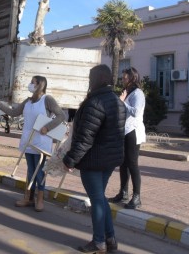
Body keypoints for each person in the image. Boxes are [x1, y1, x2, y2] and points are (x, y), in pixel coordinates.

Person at [63, 64, 126, 254]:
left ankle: (99, 242)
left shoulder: (95, 103)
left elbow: (85, 138)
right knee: (101, 199)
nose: (89, 82)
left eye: (91, 78)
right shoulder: (116, 101)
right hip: (109, 160)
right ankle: (110, 239)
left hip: (94, 160)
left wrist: (70, 159)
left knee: (97, 200)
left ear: (98, 79)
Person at [0, 76, 66, 212]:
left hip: (42, 141)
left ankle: (40, 199)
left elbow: (61, 116)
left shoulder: (47, 99)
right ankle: (28, 197)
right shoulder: (28, 100)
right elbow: (14, 113)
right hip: (28, 139)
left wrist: (47, 127)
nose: (30, 85)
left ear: (39, 85)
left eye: (33, 82)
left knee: (39, 171)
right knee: (30, 170)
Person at [108, 67, 146, 209]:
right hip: (124, 131)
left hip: (133, 131)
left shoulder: (138, 93)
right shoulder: (128, 92)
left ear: (132, 78)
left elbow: (136, 112)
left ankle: (136, 197)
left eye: (124, 78)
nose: (122, 80)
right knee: (123, 164)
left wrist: (122, 102)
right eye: (122, 78)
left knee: (133, 164)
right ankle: (123, 193)